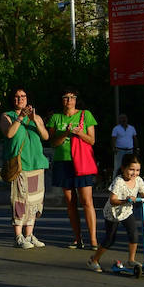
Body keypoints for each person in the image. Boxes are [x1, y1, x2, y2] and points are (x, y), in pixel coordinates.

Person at [87, 154, 144, 274]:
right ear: (123, 168)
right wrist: (126, 200)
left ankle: (131, 260)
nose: (134, 173)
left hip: (127, 212)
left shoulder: (138, 180)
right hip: (113, 213)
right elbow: (113, 200)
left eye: (137, 170)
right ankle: (94, 259)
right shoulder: (118, 181)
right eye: (131, 170)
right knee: (110, 239)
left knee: (134, 234)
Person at [47, 87, 98, 249]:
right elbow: (53, 142)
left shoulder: (85, 114)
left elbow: (92, 140)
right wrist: (65, 134)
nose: (69, 100)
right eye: (66, 97)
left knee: (87, 201)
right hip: (63, 161)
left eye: (72, 97)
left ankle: (93, 240)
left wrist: (78, 133)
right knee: (70, 202)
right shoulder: (56, 117)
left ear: (76, 100)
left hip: (82, 162)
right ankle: (78, 239)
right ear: (61, 100)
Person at [0, 87, 49, 248]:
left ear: (27, 99)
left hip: (37, 164)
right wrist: (20, 118)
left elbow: (46, 136)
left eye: (23, 96)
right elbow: (9, 134)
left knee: (34, 202)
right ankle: (18, 236)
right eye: (16, 96)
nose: (19, 99)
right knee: (19, 201)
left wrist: (34, 120)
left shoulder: (36, 117)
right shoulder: (7, 116)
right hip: (20, 166)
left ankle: (29, 235)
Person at [110, 114, 137, 179]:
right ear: (119, 120)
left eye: (125, 118)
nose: (123, 120)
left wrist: (137, 148)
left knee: (130, 166)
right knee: (117, 167)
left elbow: (135, 138)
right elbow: (113, 138)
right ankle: (114, 182)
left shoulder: (131, 128)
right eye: (122, 118)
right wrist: (114, 147)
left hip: (130, 150)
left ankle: (129, 180)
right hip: (119, 150)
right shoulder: (116, 128)